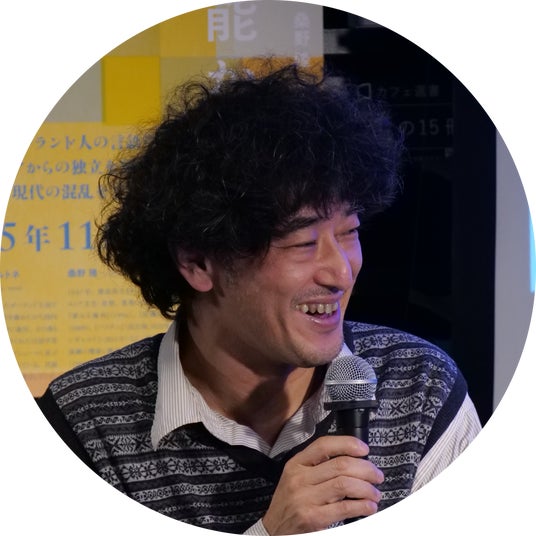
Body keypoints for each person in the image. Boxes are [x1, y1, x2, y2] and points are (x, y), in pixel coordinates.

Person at [36, 60, 481, 535]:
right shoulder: (86, 423)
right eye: (302, 242)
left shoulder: (418, 387)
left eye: (349, 231)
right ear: (198, 262)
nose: (341, 271)